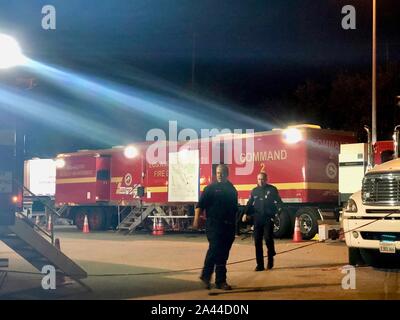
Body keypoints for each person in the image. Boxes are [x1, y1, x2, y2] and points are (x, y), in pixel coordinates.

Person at [192, 164, 238, 290]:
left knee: (223, 254)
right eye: (218, 172)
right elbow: (200, 205)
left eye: (222, 172)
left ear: (227, 174)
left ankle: (219, 281)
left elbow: (234, 209)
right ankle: (207, 276)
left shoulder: (232, 189)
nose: (219, 175)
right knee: (215, 248)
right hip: (214, 224)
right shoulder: (210, 188)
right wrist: (196, 219)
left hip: (228, 226)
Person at [243, 172, 283, 271]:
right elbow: (249, 203)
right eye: (259, 179)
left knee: (268, 239)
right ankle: (260, 265)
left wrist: (279, 211)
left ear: (266, 179)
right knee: (257, 242)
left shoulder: (272, 189)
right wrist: (245, 213)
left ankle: (270, 258)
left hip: (268, 218)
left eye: (262, 179)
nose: (261, 181)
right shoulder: (254, 191)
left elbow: (279, 202)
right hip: (257, 219)